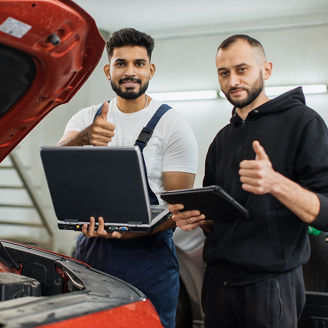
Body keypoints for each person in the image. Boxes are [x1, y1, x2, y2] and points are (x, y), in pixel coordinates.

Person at [170, 34, 328, 328]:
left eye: (242, 70)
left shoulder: (303, 123)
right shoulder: (222, 139)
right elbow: (218, 217)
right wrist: (198, 218)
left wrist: (275, 183)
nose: (232, 81)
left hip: (270, 285)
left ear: (266, 70)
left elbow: (325, 212)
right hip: (217, 284)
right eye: (224, 72)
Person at [57, 28, 198, 328]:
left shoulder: (173, 125)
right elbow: (57, 163)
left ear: (151, 69)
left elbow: (179, 208)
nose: (130, 72)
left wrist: (128, 231)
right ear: (109, 69)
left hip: (149, 261)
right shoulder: (86, 119)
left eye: (138, 63)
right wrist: (82, 139)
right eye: (121, 63)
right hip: (90, 254)